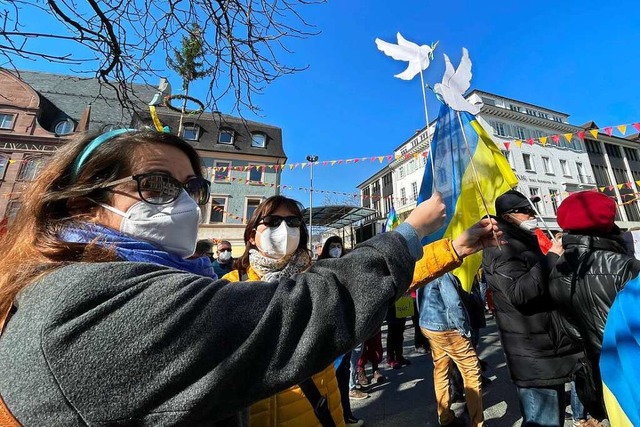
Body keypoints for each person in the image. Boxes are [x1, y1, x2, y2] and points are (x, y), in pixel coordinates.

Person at [0, 129, 501, 426]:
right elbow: (311, 308)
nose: (182, 203)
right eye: (156, 184)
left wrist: (454, 247)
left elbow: (368, 283)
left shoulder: (296, 273)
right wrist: (410, 229)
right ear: (86, 198)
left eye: (192, 188)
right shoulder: (110, 299)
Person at [481, 189, 582, 427]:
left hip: (547, 346)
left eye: (532, 208)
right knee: (541, 420)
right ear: (508, 216)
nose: (531, 214)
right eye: (525, 211)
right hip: (533, 352)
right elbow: (519, 293)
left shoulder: (525, 241)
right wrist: (551, 258)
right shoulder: (501, 245)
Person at [549, 191, 640, 423]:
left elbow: (566, 327)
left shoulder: (556, 269)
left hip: (593, 370)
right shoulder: (627, 266)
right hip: (630, 366)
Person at [417, 272, 483, 427]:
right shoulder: (443, 273)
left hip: (429, 325)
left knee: (441, 370)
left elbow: (420, 300)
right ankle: (477, 423)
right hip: (447, 328)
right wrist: (465, 329)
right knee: (472, 371)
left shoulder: (425, 271)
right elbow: (454, 303)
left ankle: (445, 418)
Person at [318, 236, 365, 427]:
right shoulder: (319, 269)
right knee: (329, 379)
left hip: (347, 329)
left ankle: (345, 414)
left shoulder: (348, 266)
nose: (336, 249)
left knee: (343, 375)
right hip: (328, 333)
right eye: (332, 246)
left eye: (339, 246)